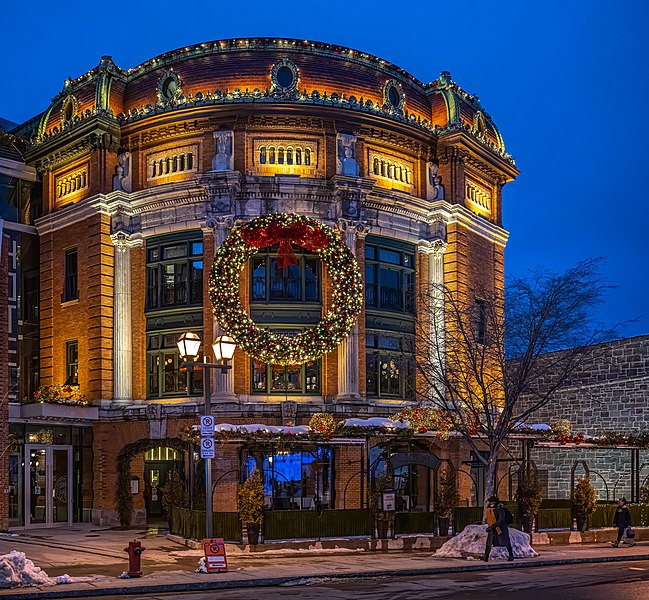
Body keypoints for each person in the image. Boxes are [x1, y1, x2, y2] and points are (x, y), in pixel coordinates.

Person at [482, 495, 514, 562]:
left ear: (495, 502)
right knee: (489, 542)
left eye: (492, 502)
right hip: (493, 528)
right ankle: (486, 556)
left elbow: (501, 520)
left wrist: (492, 526)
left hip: (501, 528)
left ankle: (511, 555)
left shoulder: (500, 508)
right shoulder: (490, 509)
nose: (491, 504)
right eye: (490, 502)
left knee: (506, 542)